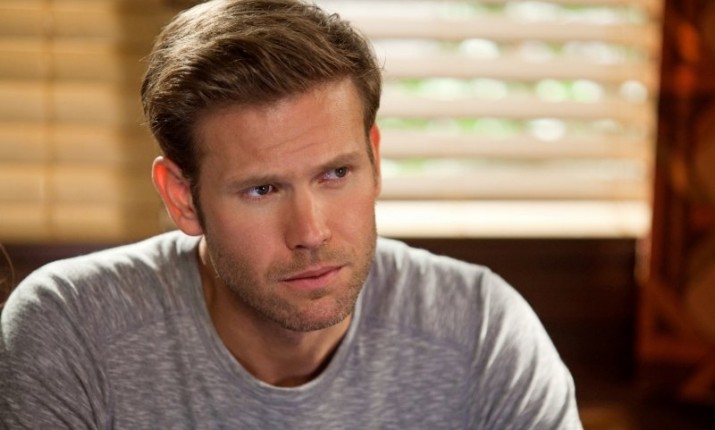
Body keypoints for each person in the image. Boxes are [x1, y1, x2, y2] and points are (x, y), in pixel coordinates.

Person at [0, 0, 583, 428]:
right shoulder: (71, 329)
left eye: (336, 174)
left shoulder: (480, 328)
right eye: (262, 189)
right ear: (182, 197)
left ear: (374, 159)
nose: (310, 233)